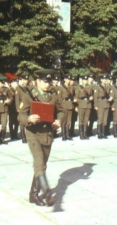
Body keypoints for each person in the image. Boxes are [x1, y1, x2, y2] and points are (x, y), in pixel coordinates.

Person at [18, 69, 63, 206]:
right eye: (45, 81)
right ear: (37, 80)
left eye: (49, 81)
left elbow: (61, 111)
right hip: (33, 134)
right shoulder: (28, 96)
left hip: (48, 134)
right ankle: (47, 193)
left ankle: (33, 194)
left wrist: (59, 120)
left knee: (41, 166)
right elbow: (20, 115)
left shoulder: (53, 96)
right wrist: (29, 118)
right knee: (39, 163)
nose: (47, 84)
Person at [94, 74, 113, 139]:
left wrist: (111, 97)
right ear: (101, 80)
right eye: (104, 79)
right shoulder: (98, 87)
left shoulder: (108, 86)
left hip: (107, 104)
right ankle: (99, 134)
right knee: (100, 119)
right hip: (100, 104)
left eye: (106, 79)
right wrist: (96, 105)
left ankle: (103, 133)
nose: (105, 80)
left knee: (105, 119)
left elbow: (111, 93)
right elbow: (95, 97)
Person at [15, 75, 33, 143]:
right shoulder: (19, 88)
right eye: (25, 79)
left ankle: (29, 136)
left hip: (29, 106)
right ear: (22, 80)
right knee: (22, 122)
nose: (26, 81)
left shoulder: (30, 87)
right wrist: (18, 108)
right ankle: (23, 137)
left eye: (27, 79)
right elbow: (17, 99)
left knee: (29, 121)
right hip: (22, 106)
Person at [57, 74, 75, 141]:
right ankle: (63, 135)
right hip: (64, 106)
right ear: (64, 79)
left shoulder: (71, 87)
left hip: (70, 105)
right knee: (64, 121)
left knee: (68, 121)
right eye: (67, 79)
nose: (69, 80)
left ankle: (67, 135)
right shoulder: (61, 87)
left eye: (69, 79)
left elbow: (72, 96)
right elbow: (59, 99)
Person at [75, 75, 93, 140]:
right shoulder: (78, 87)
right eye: (84, 80)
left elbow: (91, 95)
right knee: (81, 120)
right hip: (81, 105)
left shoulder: (89, 87)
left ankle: (85, 134)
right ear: (82, 80)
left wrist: (91, 98)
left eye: (86, 80)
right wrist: (77, 106)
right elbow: (76, 98)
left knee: (86, 120)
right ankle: (81, 134)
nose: (85, 81)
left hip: (88, 105)